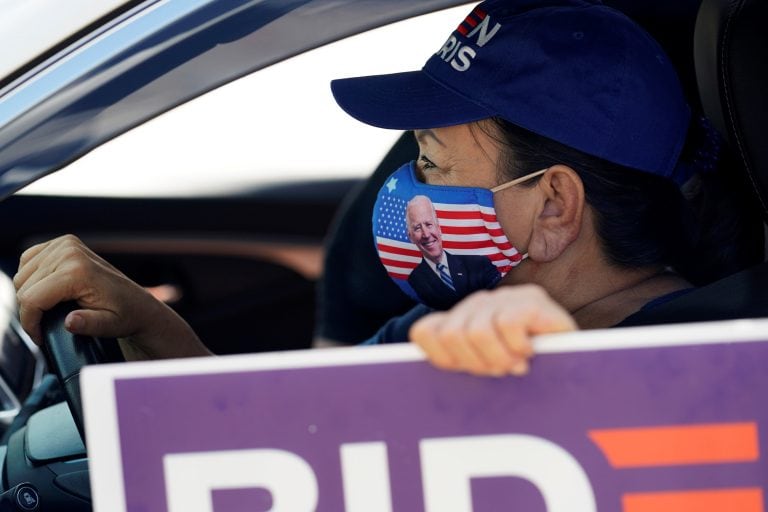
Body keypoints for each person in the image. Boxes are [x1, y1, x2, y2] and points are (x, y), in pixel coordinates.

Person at [13, 0, 736, 377]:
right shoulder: (439, 335)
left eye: (435, 164)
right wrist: (149, 324)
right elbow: (285, 451)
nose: (410, 190)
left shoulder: (725, 361)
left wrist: (555, 386)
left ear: (552, 206)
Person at [403, 195, 501, 310]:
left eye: (429, 224)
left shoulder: (479, 264)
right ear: (411, 237)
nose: (426, 234)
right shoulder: (413, 282)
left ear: (439, 228)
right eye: (417, 228)